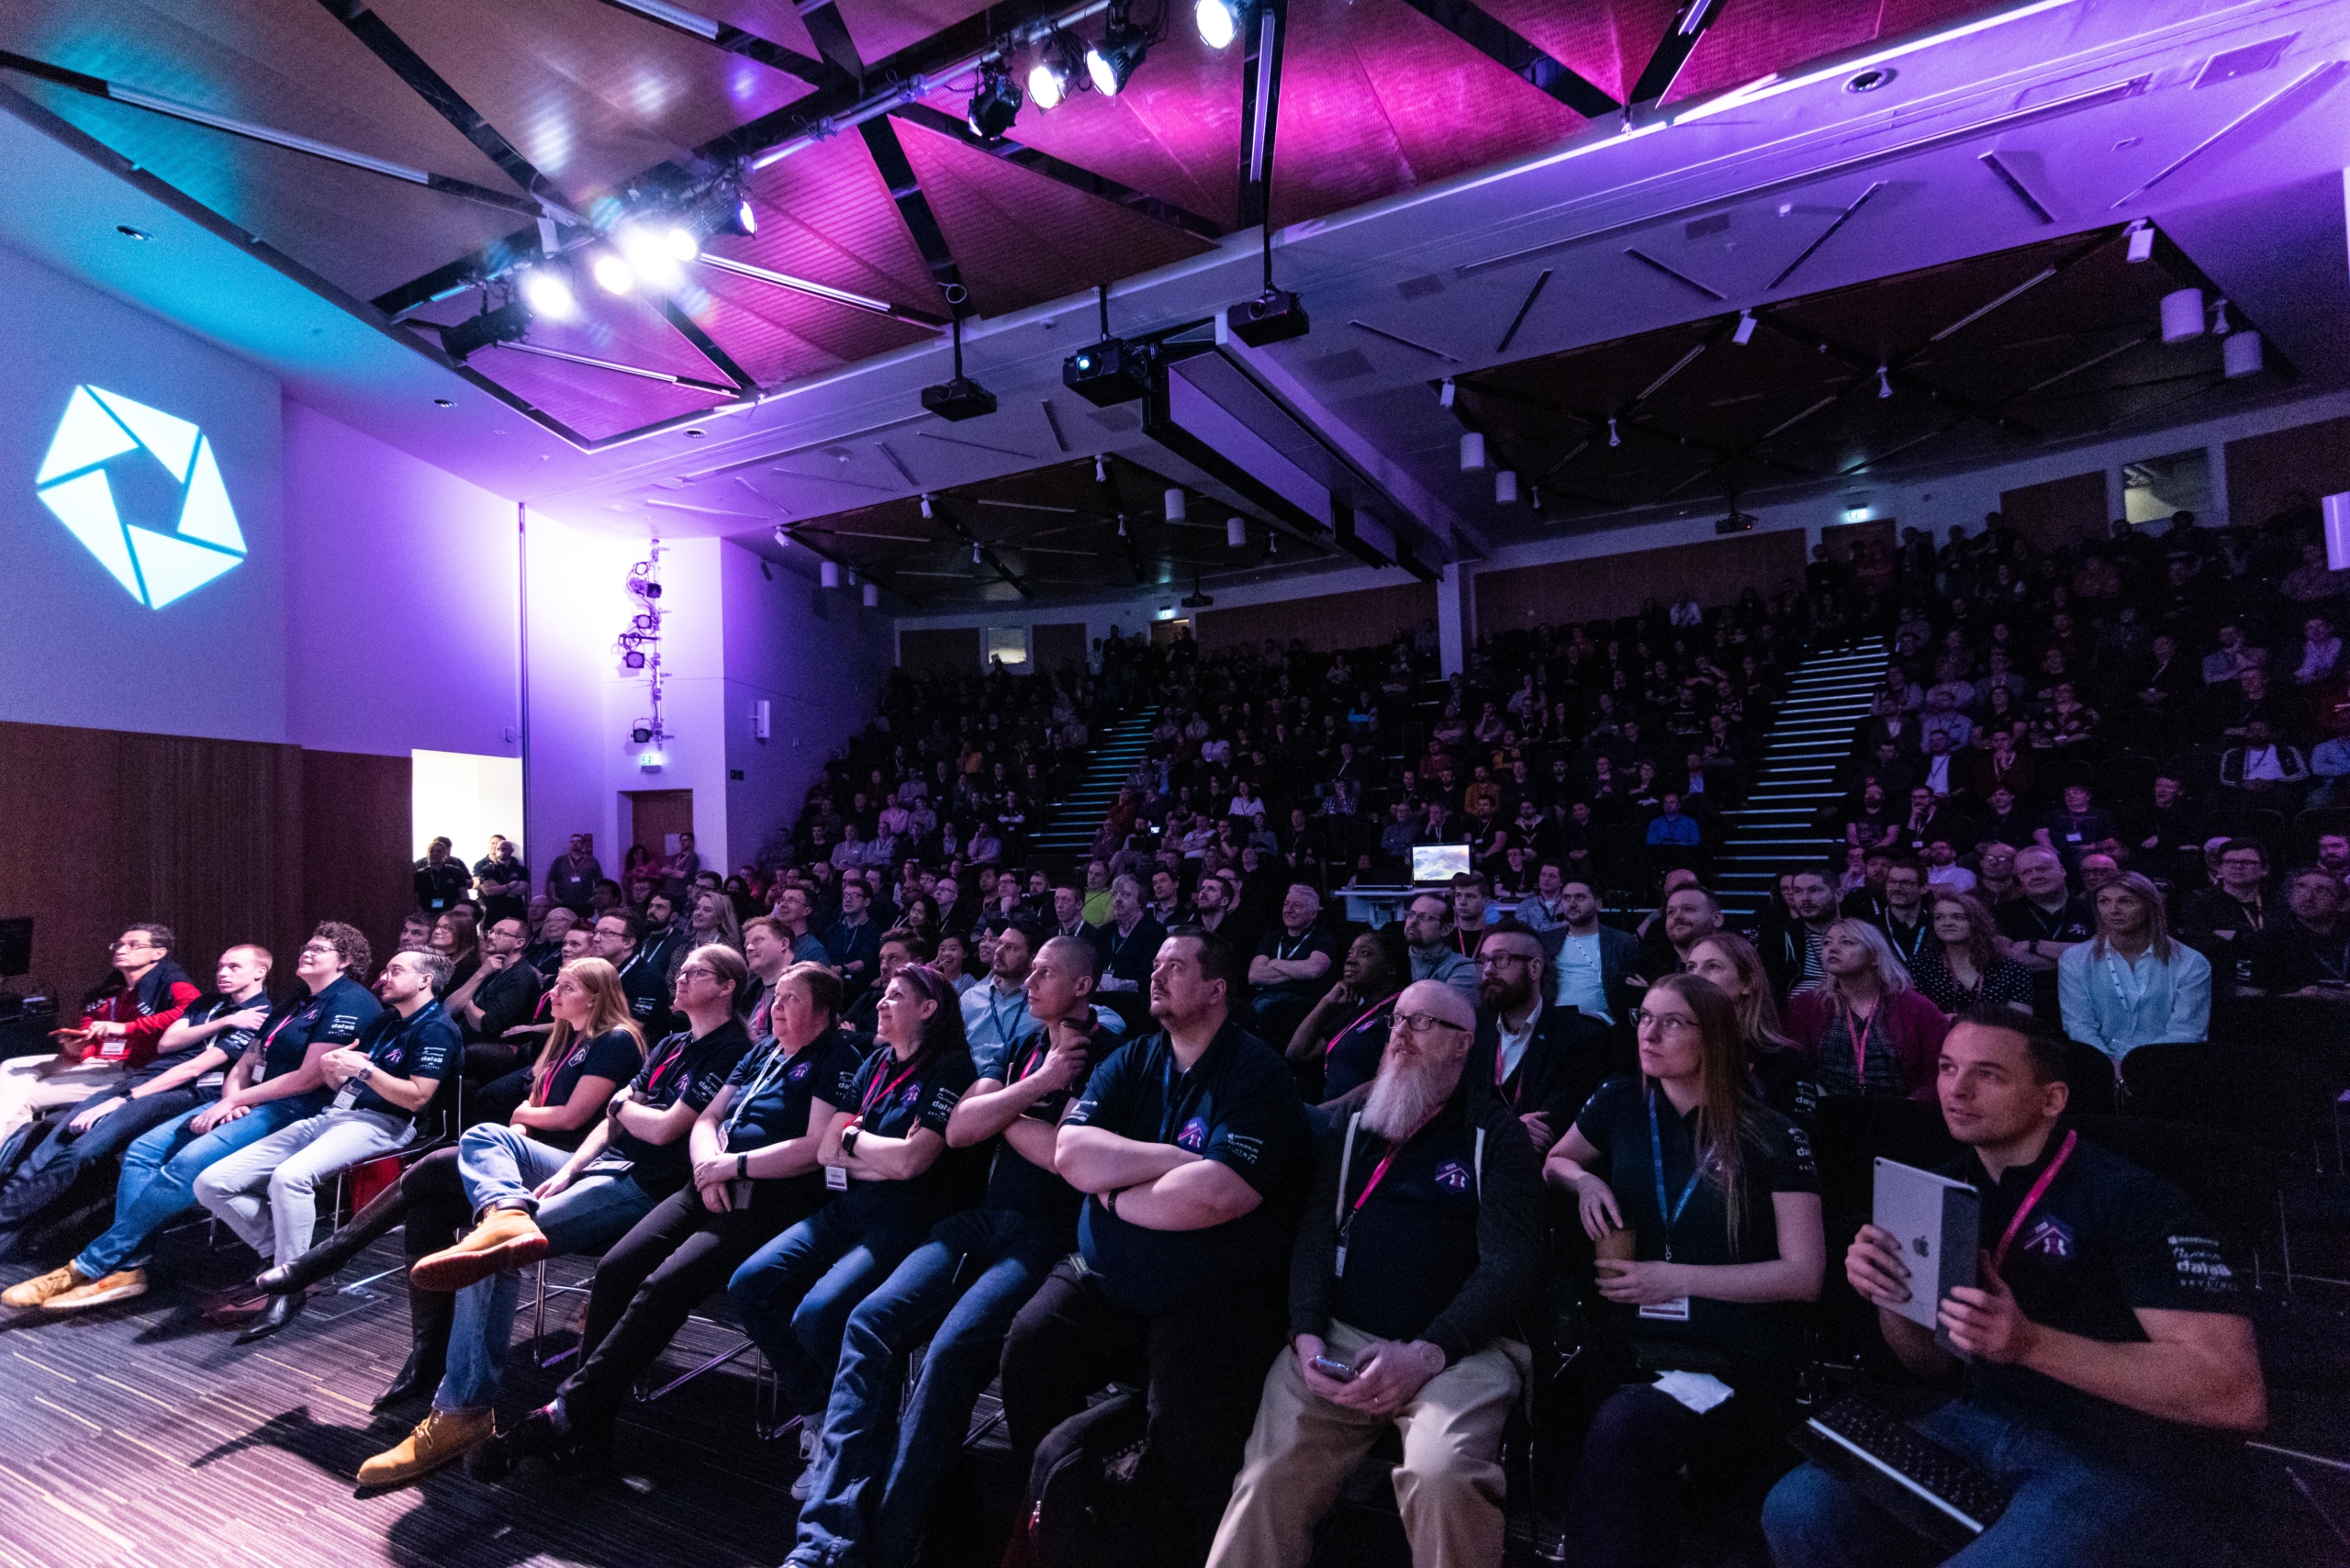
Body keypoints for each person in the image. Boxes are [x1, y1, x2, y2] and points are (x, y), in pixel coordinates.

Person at [1763, 1008, 2266, 1568]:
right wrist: (1893, 1297)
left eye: (1988, 1075)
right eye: (1948, 1068)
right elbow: (1932, 1366)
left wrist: (2029, 1344)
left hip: (2112, 1446)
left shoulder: (2133, 1200)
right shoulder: (1943, 1186)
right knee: (1797, 1507)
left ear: (2051, 1099)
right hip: (1983, 1417)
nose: (1956, 1089)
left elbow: (2234, 1395)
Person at [461, 962, 863, 1485]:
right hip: (707, 1182)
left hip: (769, 1200)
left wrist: (733, 1166)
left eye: (792, 998)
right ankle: (591, 1437)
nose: (778, 1006)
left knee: (662, 1286)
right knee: (614, 1270)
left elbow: (814, 1149)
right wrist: (708, 1166)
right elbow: (708, 1120)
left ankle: (565, 1415)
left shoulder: (838, 1057)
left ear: (825, 1010)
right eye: (777, 996)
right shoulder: (762, 1052)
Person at [1000, 930, 1312, 1568]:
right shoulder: (1134, 1059)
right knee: (1029, 1348)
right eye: (1156, 964)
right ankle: (1062, 1508)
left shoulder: (1258, 1073)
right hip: (1102, 1273)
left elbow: (1218, 1196)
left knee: (1187, 1437)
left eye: (1175, 966)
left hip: (1206, 1293)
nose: (1156, 975)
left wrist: (1114, 1191)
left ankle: (1155, 1535)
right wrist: (1169, 1166)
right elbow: (1071, 1153)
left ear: (1216, 989)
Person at [1207, 979, 1543, 1568]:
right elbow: (1314, 1233)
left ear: (1462, 1044)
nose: (1400, 1035)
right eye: (1396, 1021)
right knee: (1265, 1483)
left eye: (1420, 1023)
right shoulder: (1359, 1120)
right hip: (1340, 1340)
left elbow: (1511, 1268)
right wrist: (1307, 1332)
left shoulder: (1497, 1136)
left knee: (1440, 1473)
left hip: (1461, 1355)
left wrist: (1427, 1353)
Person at [785, 937, 1099, 1567]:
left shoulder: (1106, 1054)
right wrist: (1033, 1088)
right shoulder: (1027, 1050)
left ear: (1084, 986)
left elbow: (1062, 1156)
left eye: (1045, 972)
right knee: (866, 1321)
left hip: (1046, 1233)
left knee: (949, 1353)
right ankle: (826, 1538)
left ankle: (887, 1546)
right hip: (979, 1221)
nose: (1029, 980)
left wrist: (995, 1111)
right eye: (1029, 971)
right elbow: (959, 1128)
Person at [252, 958, 646, 1424]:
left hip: (579, 1169)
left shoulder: (616, 1040)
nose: (553, 995)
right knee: (430, 1207)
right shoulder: (567, 1041)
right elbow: (534, 1108)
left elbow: (571, 1119)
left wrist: (519, 1119)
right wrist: (522, 1119)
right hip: (528, 1161)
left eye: (566, 987)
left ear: (596, 996)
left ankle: (324, 1260)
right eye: (556, 985)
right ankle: (425, 1354)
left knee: (440, 1161)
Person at [1544, 974, 1825, 1568]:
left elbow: (1805, 1274)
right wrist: (1585, 1179)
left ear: (1715, 1036)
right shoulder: (1620, 1101)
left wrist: (1679, 1279)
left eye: (1672, 1022)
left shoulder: (1772, 1134)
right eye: (1644, 1017)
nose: (1650, 1032)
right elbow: (1557, 1160)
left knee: (1626, 1421)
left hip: (1726, 1356)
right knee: (1564, 1403)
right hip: (1633, 1342)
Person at [6, 924, 381, 1314]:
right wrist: (232, 1100)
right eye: (307, 944)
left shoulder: (351, 1001)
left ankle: (90, 1265)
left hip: (296, 1108)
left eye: (320, 948)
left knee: (184, 1165)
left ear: (346, 960)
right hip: (249, 1100)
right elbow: (250, 1059)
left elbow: (309, 1078)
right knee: (143, 1150)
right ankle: (130, 1268)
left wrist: (238, 1102)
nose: (307, 951)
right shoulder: (298, 1000)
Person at [728, 965, 977, 1465]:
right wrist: (872, 1154)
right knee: (748, 1284)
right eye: (881, 996)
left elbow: (913, 1162)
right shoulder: (875, 1063)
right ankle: (820, 1409)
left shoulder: (952, 1069)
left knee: (818, 1317)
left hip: (906, 1223)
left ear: (928, 1009)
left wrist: (856, 1142)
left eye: (895, 997)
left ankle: (860, 1440)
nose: (880, 1005)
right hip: (846, 1208)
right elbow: (827, 1149)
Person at [195, 948, 459, 1340]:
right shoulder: (386, 1021)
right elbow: (344, 1082)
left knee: (290, 1177)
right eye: (386, 969)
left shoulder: (436, 1028)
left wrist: (364, 1071)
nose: (384, 977)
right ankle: (287, 1260)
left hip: (386, 1122)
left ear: (425, 981)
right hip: (334, 1115)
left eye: (396, 970)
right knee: (211, 1182)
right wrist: (336, 1071)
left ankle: (290, 1286)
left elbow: (417, 1098)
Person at [0, 945, 270, 1254]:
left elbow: (195, 1067)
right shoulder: (209, 1003)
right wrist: (223, 1022)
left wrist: (124, 1099)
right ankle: (10, 1212)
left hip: (187, 1091)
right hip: (148, 1077)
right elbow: (168, 1043)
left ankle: (9, 1222)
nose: (222, 973)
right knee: (56, 1128)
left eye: (234, 967)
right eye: (221, 966)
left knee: (83, 1149)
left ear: (259, 972)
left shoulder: (260, 1015)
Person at [0, 924, 200, 1147]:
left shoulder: (172, 982)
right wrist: (76, 1049)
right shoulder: (108, 992)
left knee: (21, 1099)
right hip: (99, 1062)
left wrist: (126, 1028)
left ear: (158, 953)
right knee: (10, 1068)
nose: (121, 950)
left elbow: (190, 1010)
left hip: (135, 1070)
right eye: (119, 945)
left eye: (133, 945)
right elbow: (90, 1041)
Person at [1473, 920, 1618, 1152]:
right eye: (1484, 961)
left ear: (1535, 968)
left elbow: (1555, 1123)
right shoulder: (1472, 1030)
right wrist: (1509, 1128)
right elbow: (1459, 1104)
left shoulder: (1579, 1037)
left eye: (1501, 959)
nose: (1488, 970)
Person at [1785, 922, 1950, 1101]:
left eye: (1846, 942)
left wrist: (1910, 1108)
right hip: (1827, 1112)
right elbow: (1795, 1066)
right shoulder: (1806, 1005)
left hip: (1900, 1114)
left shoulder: (1915, 1008)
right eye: (1827, 942)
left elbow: (1938, 1072)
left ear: (1874, 956)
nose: (1832, 949)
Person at [2058, 873, 2211, 1060]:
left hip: (2166, 1062)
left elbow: (2186, 1030)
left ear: (2149, 906)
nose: (2113, 910)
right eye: (2104, 901)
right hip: (2099, 1063)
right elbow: (2078, 1025)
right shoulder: (2075, 959)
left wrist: (2138, 1067)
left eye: (2126, 901)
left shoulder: (2190, 962)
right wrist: (2108, 1065)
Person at [1287, 924, 1410, 1105]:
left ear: (1390, 968)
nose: (1350, 961)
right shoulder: (1355, 1013)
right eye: (1350, 953)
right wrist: (1326, 1002)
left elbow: (1389, 1081)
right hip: (1330, 1111)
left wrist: (1329, 1110)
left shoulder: (1398, 1013)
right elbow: (1296, 1052)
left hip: (1359, 1116)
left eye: (1365, 954)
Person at [1994, 847, 2096, 1016]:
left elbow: (2101, 955)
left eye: (2043, 868)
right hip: (2027, 1007)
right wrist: (2080, 958)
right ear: (2020, 879)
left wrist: (2033, 945)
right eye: (2026, 872)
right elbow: (2003, 959)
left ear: (2062, 870)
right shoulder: (2003, 912)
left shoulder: (2094, 908)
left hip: (2090, 1002)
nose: (2036, 876)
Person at [1911, 890, 2034, 1014]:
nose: (1947, 923)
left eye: (1958, 917)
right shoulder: (1918, 966)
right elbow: (1912, 1018)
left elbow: (2020, 1023)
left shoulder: (2011, 970)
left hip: (1994, 1033)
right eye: (1939, 918)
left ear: (1976, 922)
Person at [1248, 883, 1338, 1047]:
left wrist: (1275, 963)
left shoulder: (1323, 937)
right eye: (1286, 904)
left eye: (1297, 905)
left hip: (1305, 1001)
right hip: (1267, 998)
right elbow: (1254, 976)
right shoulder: (1272, 937)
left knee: (1262, 1009)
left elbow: (1314, 970)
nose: (1288, 910)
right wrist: (1297, 971)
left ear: (1312, 915)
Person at [1541, 878, 1638, 1025]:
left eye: (1580, 897)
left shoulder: (1621, 942)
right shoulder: (1548, 941)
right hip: (1556, 1025)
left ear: (1598, 904)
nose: (1572, 904)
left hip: (1605, 1025)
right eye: (1567, 898)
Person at [2247, 867, 2350, 997]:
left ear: (2344, 904)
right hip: (2295, 1013)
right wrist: (2299, 997)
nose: (2308, 897)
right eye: (2300, 887)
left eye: (2322, 890)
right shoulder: (2263, 940)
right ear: (2289, 897)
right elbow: (2247, 1003)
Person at [1760, 868, 1841, 997]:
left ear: (1838, 895)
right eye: (1798, 891)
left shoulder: (1857, 934)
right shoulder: (1779, 936)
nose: (1805, 898)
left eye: (1814, 890)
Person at [1089, 875, 1169, 1002]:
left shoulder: (1154, 931)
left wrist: (1114, 984)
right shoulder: (1104, 931)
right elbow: (1091, 966)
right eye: (1115, 894)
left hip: (1134, 1001)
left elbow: (1149, 976)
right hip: (1100, 998)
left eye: (1126, 894)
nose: (1118, 899)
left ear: (1140, 901)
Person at [1401, 891, 1482, 1004]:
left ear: (1446, 929)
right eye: (1411, 914)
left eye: (1424, 917)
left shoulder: (1463, 970)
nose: (1413, 921)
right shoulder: (1392, 961)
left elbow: (1436, 1016)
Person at [822, 879, 883, 1000]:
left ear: (866, 901)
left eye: (854, 895)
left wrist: (841, 969)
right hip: (829, 983)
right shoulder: (832, 929)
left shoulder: (873, 930)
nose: (848, 899)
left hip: (858, 989)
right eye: (845, 895)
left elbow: (864, 962)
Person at [474, 834, 531, 926]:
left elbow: (521, 890)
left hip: (515, 910)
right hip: (493, 910)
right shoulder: (486, 869)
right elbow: (488, 891)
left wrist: (498, 886)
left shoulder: (521, 869)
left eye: (504, 849)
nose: (501, 851)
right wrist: (510, 885)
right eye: (498, 849)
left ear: (511, 851)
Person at [546, 834, 603, 915]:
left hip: (585, 903)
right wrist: (554, 897)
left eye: (578, 841)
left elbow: (599, 881)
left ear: (584, 845)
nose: (575, 843)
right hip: (563, 903)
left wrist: (594, 898)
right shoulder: (560, 861)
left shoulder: (592, 861)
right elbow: (552, 880)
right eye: (572, 841)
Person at [416, 836, 472, 917]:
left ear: (445, 855)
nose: (435, 854)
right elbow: (416, 900)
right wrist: (421, 915)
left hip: (451, 914)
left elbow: (465, 896)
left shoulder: (456, 872)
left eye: (439, 851)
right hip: (427, 914)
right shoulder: (420, 874)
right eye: (432, 851)